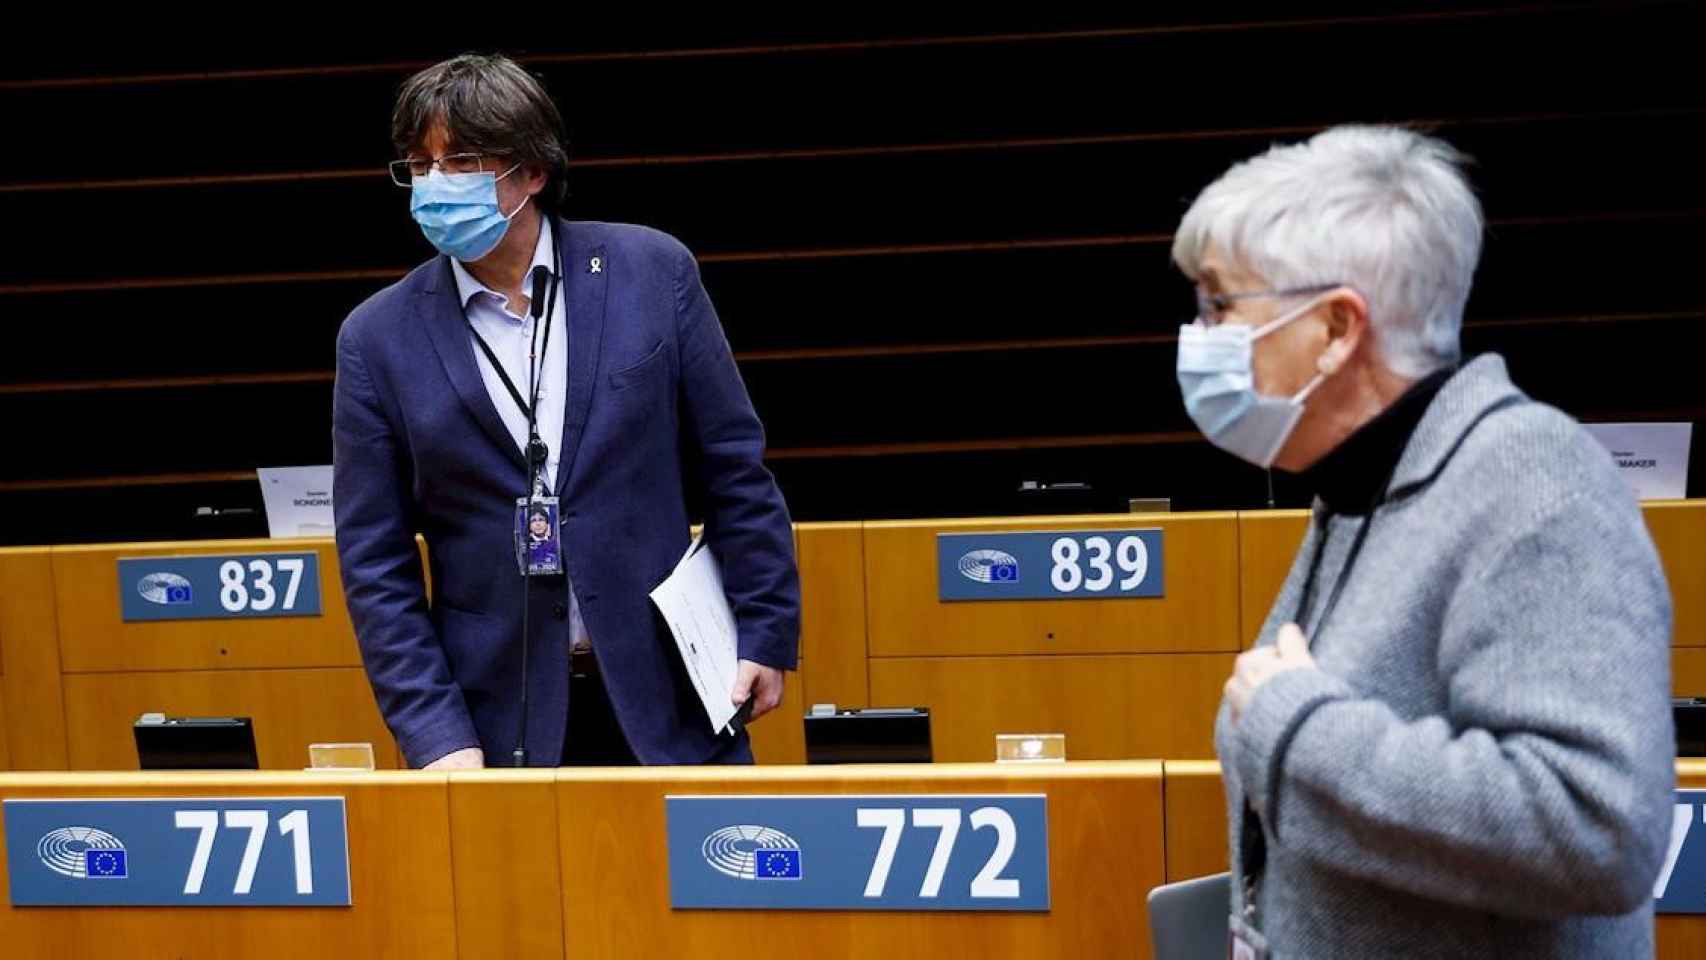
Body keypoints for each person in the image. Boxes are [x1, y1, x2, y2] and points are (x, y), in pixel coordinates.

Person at [1172, 125, 1674, 956]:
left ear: (1336, 328)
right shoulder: (1367, 492)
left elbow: (1596, 828)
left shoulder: (1531, 483)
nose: (1202, 336)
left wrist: (1300, 731)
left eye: (1222, 304)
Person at [333, 54, 799, 769]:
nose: (434, 186)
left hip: (670, 696)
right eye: (418, 166)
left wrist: (765, 632)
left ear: (532, 172)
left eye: (460, 162)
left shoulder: (653, 271)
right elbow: (375, 562)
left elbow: (735, 469)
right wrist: (434, 733)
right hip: (489, 725)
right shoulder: (376, 338)